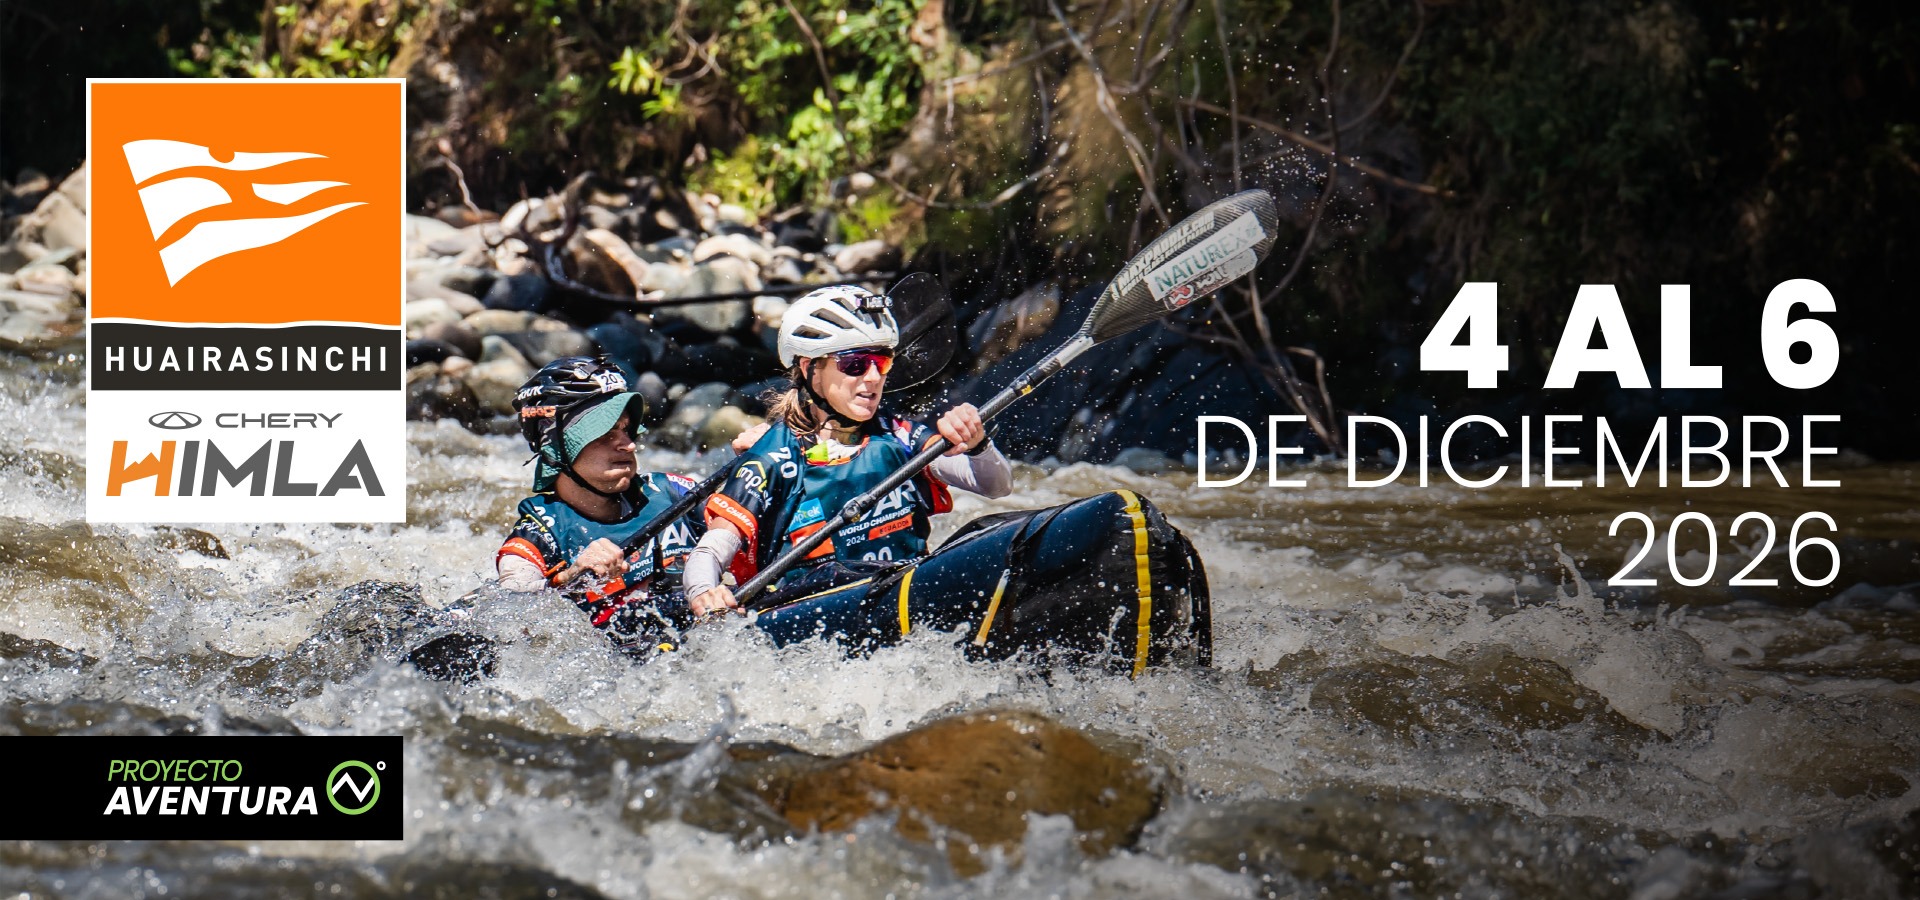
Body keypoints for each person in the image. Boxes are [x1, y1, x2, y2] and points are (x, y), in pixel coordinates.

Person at [683, 285, 1013, 616]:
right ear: (811, 369)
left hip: (903, 594)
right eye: (855, 364)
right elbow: (711, 550)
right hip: (814, 614)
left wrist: (977, 444)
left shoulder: (898, 435)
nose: (873, 378)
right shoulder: (773, 456)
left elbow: (995, 486)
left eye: (882, 362)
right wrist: (704, 593)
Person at [496, 356, 715, 654]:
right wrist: (570, 578)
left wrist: (762, 464)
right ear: (558, 445)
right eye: (605, 433)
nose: (629, 444)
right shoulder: (538, 534)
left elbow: (751, 525)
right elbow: (510, 613)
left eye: (626, 429)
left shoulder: (675, 492)